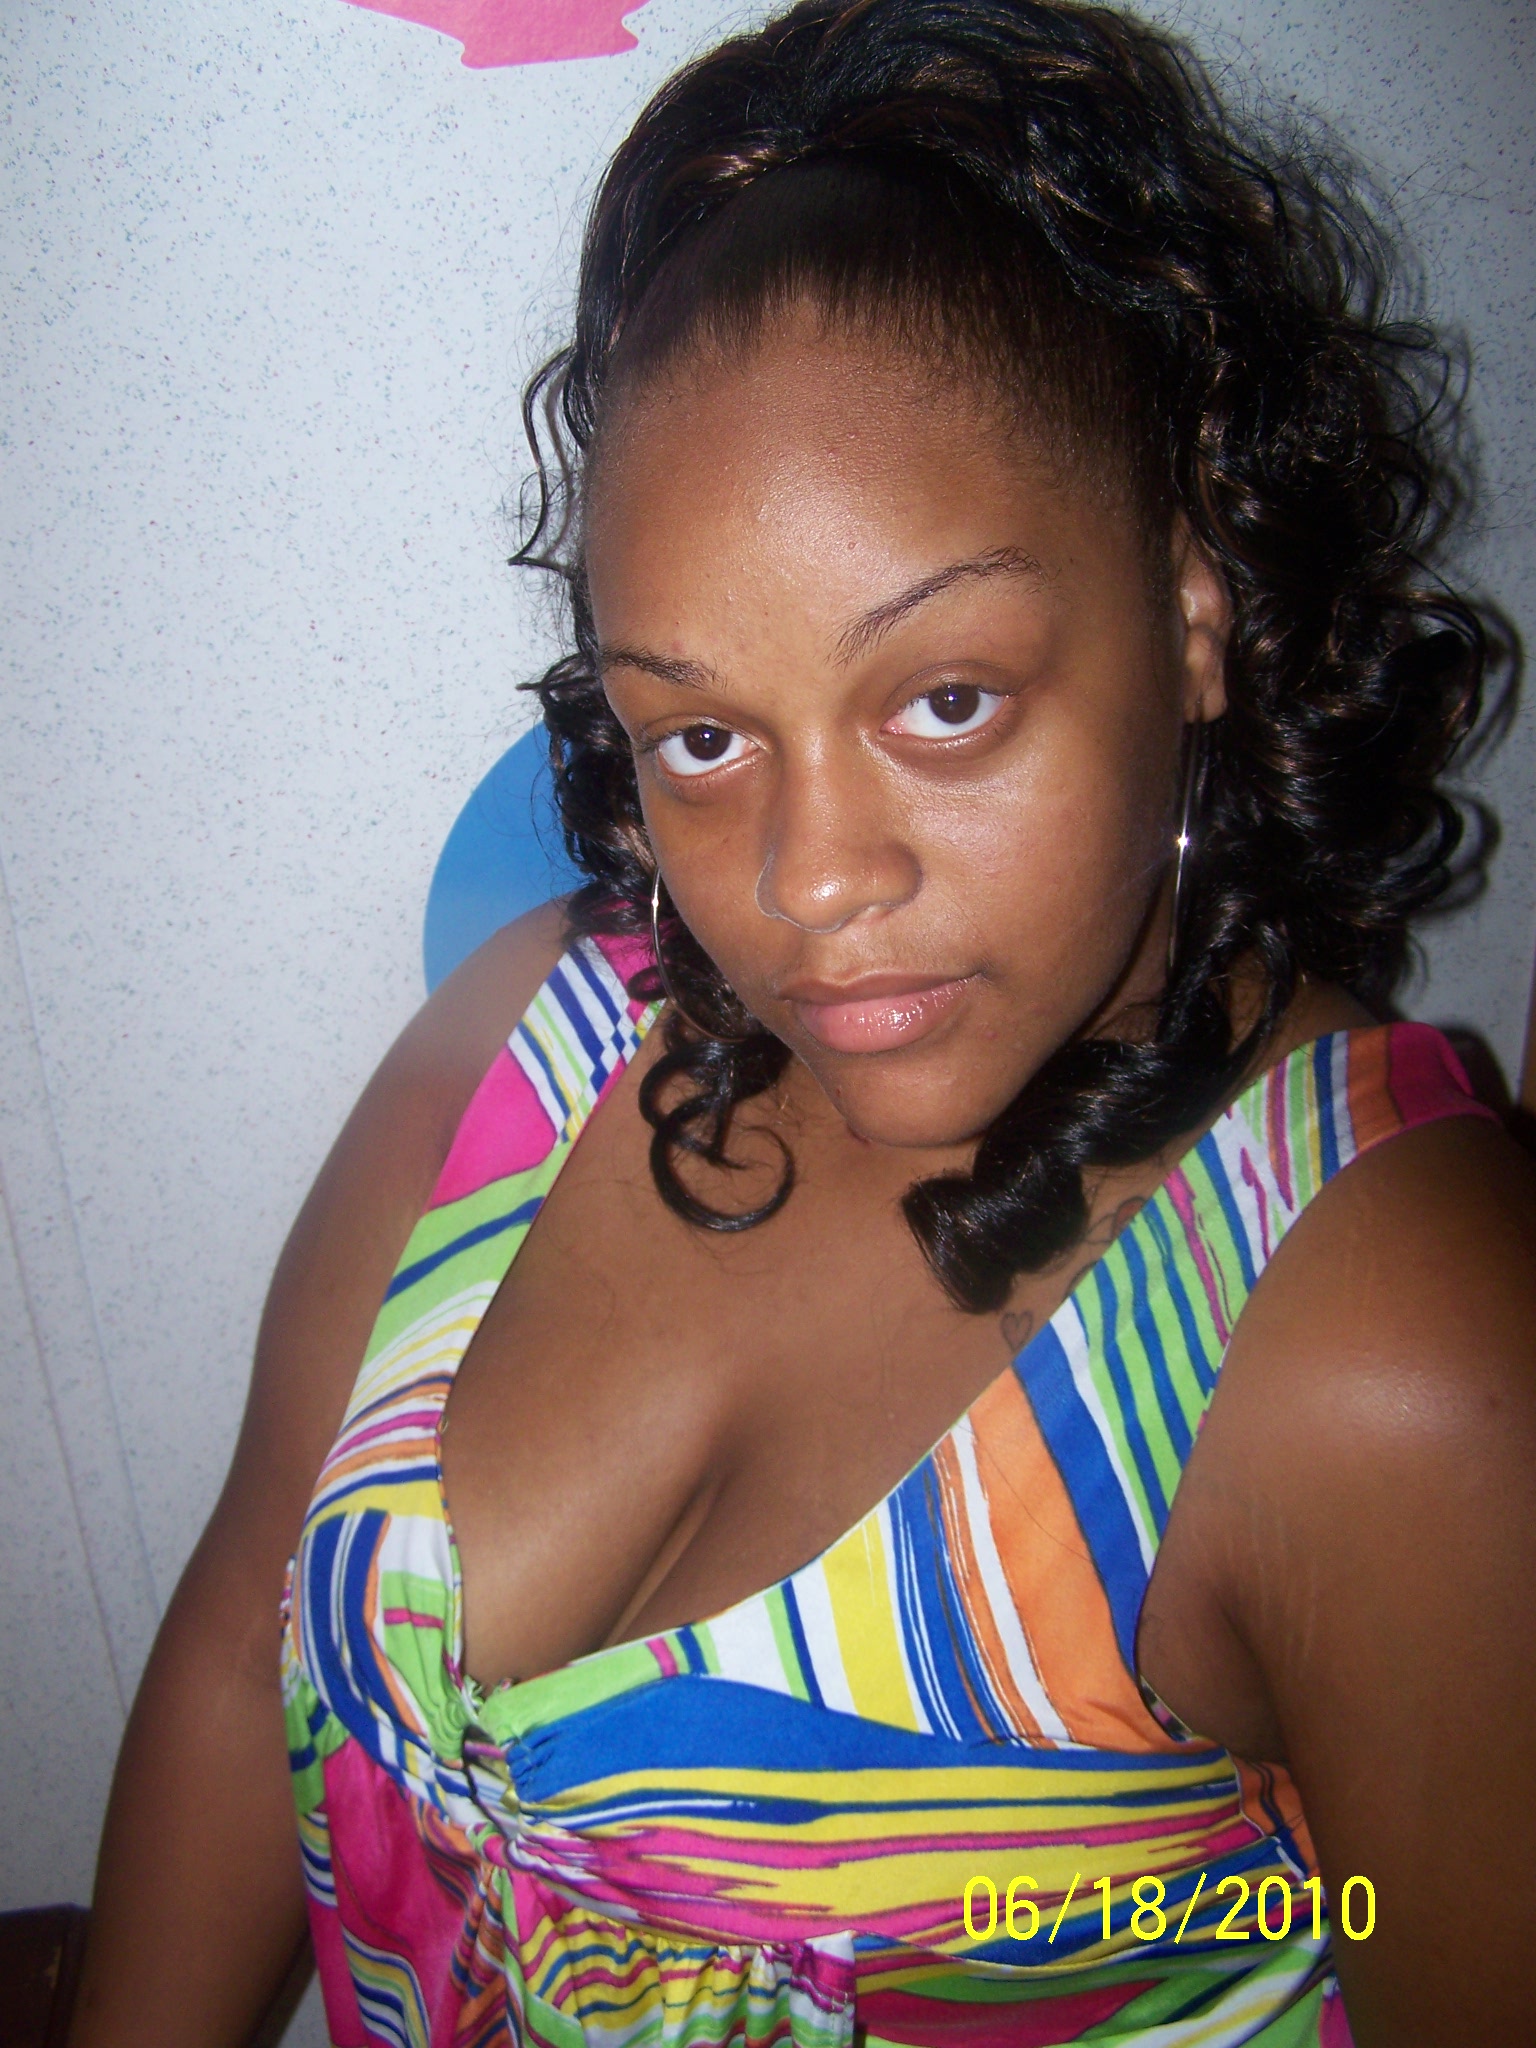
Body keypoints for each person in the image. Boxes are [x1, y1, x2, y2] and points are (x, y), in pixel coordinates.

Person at [70, 2, 1536, 2043]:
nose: (810, 881)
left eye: (947, 699)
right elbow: (252, 1652)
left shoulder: (1394, 1340)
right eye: (702, 734)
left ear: (1194, 606)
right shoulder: (535, 1043)